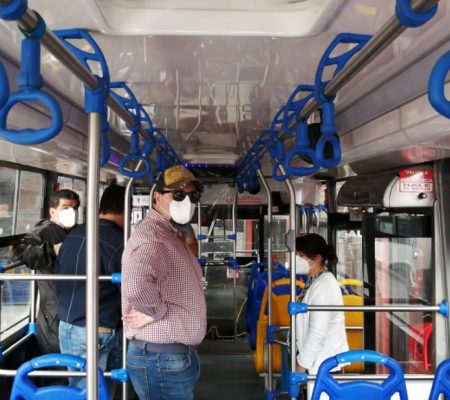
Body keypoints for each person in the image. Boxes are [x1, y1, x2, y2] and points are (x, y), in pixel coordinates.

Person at [121, 164, 206, 400]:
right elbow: (136, 285)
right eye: (178, 194)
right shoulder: (155, 238)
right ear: (157, 197)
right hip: (161, 358)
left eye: (192, 196)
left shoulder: (170, 233)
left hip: (169, 357)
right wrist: (155, 311)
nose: (186, 202)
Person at [56, 184, 125, 389]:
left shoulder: (73, 235)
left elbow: (58, 277)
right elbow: (129, 289)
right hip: (97, 328)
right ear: (127, 210)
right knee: (99, 390)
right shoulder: (119, 241)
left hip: (66, 324)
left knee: (80, 389)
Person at [12, 189, 80, 356]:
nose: (71, 212)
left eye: (74, 208)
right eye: (65, 208)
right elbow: (19, 251)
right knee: (57, 354)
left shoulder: (78, 231)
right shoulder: (44, 231)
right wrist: (51, 250)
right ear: (52, 211)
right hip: (53, 307)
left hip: (77, 302)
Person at [295, 233, 348, 376]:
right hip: (314, 365)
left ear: (317, 259)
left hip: (322, 368)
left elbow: (317, 334)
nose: (296, 259)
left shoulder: (325, 286)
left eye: (301, 255)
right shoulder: (315, 281)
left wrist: (299, 370)